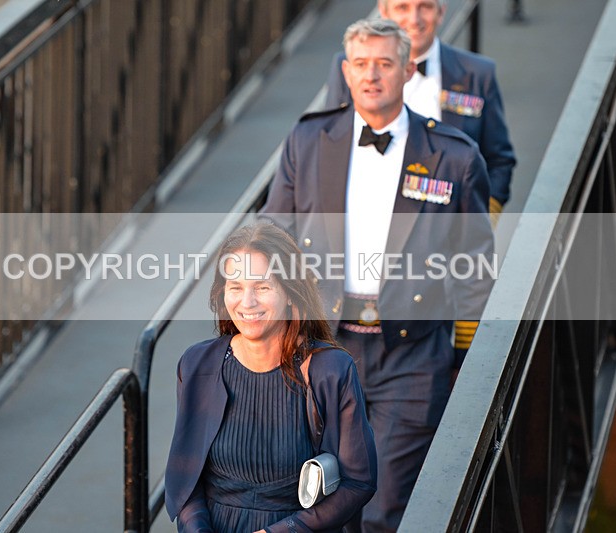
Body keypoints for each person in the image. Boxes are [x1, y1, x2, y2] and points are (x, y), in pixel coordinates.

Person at [261, 19, 494, 532]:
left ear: (408, 71)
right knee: (318, 500)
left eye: (385, 63)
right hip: (321, 350)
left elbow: (475, 265)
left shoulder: (454, 157)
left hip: (412, 355)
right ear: (345, 72)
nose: (372, 75)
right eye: (361, 64)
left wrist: (464, 357)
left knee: (385, 507)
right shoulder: (308, 139)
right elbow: (272, 240)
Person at [165, 223, 377, 532]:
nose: (247, 302)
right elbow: (186, 478)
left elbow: (358, 481)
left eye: (262, 287)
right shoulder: (198, 365)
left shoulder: (331, 370)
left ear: (290, 294)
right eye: (235, 287)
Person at [325, 0, 516, 219]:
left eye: (424, 6)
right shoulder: (353, 68)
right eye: (402, 8)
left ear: (441, 12)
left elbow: (499, 160)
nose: (414, 19)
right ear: (383, 12)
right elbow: (331, 147)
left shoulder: (476, 73)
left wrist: (481, 220)